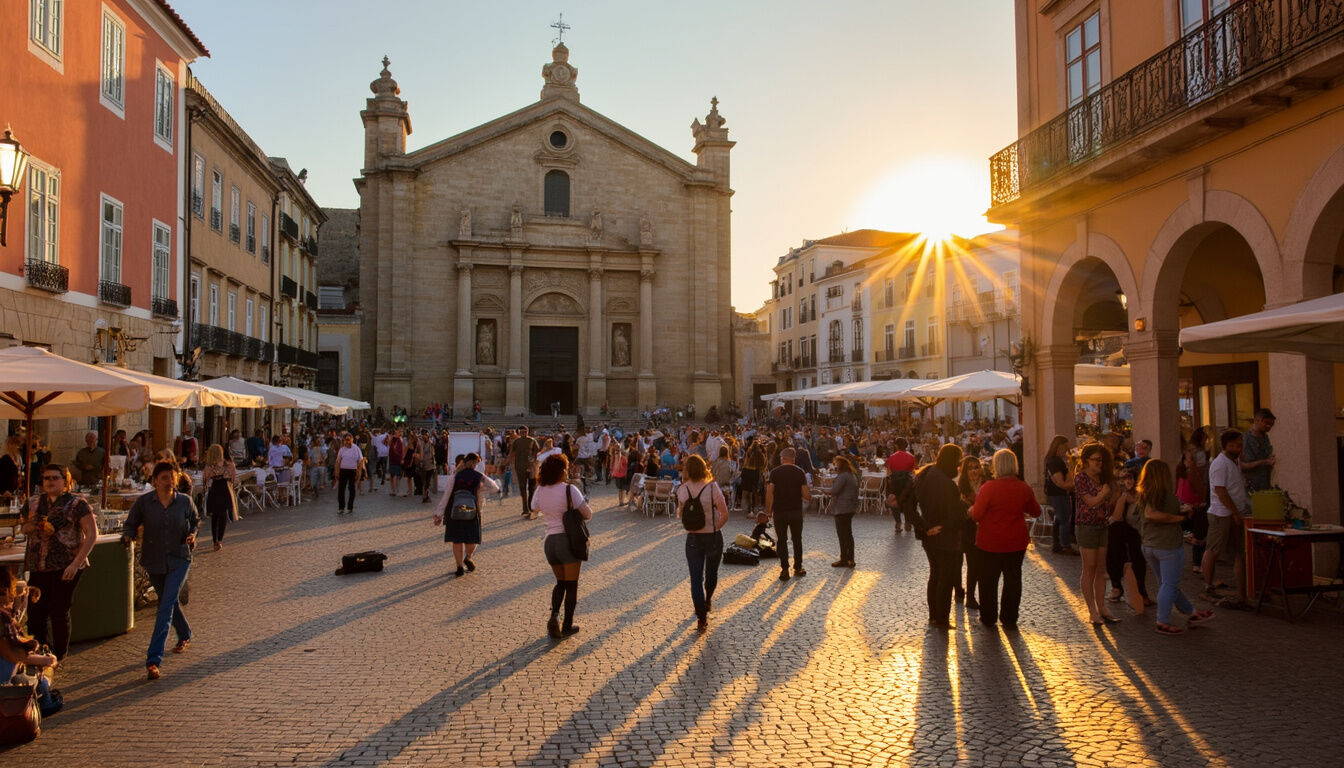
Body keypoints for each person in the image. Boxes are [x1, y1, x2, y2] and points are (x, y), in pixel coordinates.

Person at [122, 461, 200, 680]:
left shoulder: (185, 501)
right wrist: (128, 536)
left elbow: (195, 521)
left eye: (172, 477)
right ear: (155, 481)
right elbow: (131, 523)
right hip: (154, 559)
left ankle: (153, 660)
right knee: (170, 600)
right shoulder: (144, 503)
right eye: (164, 477)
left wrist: (192, 535)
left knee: (164, 606)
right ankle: (184, 633)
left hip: (179, 557)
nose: (169, 481)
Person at [19, 464, 97, 661]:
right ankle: (40, 652)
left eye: (55, 478)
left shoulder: (77, 504)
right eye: (46, 478)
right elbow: (23, 527)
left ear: (65, 481)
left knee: (58, 610)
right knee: (36, 612)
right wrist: (33, 526)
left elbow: (92, 534)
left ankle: (59, 654)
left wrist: (76, 563)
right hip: (38, 564)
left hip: (67, 564)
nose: (51, 482)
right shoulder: (33, 502)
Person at [1138, 459, 1215, 635]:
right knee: (1169, 584)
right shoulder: (1163, 495)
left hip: (1149, 545)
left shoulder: (1144, 493)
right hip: (1167, 546)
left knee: (1166, 583)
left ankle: (1191, 613)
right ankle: (1162, 621)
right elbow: (1153, 515)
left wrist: (1180, 510)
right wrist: (1181, 518)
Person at [970, 449, 1041, 630]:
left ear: (996, 466)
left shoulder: (988, 488)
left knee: (988, 581)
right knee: (1013, 580)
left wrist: (970, 510)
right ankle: (1009, 618)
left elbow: (977, 515)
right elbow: (1036, 511)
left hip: (990, 542)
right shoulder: (1023, 488)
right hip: (1015, 541)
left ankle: (988, 616)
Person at [532, 454, 591, 638]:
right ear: (561, 471)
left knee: (560, 583)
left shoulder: (540, 490)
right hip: (567, 541)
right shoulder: (569, 489)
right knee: (572, 585)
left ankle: (554, 615)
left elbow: (534, 508)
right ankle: (567, 625)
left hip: (549, 542)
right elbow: (587, 514)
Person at [912, 444, 966, 630]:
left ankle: (934, 615)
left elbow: (909, 504)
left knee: (935, 574)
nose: (959, 465)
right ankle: (941, 617)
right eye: (958, 461)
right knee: (945, 576)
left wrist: (924, 527)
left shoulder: (926, 474)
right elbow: (953, 514)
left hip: (930, 534)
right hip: (944, 535)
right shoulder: (945, 483)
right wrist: (965, 509)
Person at [676, 455, 730, 632]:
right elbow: (724, 513)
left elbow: (680, 515)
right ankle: (707, 600)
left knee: (695, 579)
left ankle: (701, 618)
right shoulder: (712, 487)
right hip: (712, 536)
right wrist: (715, 527)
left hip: (693, 538)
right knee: (711, 573)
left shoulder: (682, 490)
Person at [1203, 429, 1250, 609]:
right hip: (1221, 513)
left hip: (1233, 512)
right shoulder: (1220, 463)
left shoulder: (1234, 462)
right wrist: (1235, 512)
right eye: (1236, 445)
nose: (1239, 448)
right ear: (1227, 445)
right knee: (1213, 549)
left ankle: (1241, 593)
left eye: (1240, 444)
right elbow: (1220, 490)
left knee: (1238, 552)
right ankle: (1208, 585)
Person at [1074, 443, 1119, 625]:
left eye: (1102, 460)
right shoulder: (1080, 478)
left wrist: (1114, 494)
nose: (1100, 463)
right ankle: (1092, 610)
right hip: (1086, 526)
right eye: (1096, 460)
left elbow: (1111, 501)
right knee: (1089, 567)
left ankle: (1102, 607)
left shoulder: (1104, 478)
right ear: (1086, 461)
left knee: (1101, 569)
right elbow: (1091, 502)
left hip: (1102, 524)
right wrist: (1104, 494)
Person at [436, 453, 499, 576]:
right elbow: (495, 488)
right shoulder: (479, 476)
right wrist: (481, 488)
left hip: (455, 512)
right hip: (472, 511)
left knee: (457, 540)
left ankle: (459, 567)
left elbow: (446, 496)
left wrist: (439, 514)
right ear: (475, 463)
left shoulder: (455, 477)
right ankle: (468, 557)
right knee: (472, 538)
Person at [1, 569, 60, 687]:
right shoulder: (2, 617)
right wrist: (45, 660)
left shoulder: (5, 615)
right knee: (42, 684)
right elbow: (10, 654)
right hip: (3, 677)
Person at [1105, 468, 1152, 611]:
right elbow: (1116, 518)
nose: (1127, 481)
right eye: (1124, 478)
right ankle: (1117, 586)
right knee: (1114, 544)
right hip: (1125, 533)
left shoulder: (1143, 494)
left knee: (1136, 555)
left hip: (1141, 533)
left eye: (1130, 478)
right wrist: (1123, 497)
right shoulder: (1120, 495)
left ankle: (1140, 592)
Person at [764, 447, 811, 581]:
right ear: (793, 458)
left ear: (782, 458)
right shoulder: (800, 472)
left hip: (780, 511)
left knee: (782, 540)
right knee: (797, 540)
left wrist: (768, 511)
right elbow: (806, 495)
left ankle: (784, 569)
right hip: (796, 510)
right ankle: (798, 567)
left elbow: (770, 493)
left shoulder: (774, 473)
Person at [955, 456, 985, 609]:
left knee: (974, 564)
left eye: (976, 467)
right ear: (965, 470)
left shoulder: (986, 484)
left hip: (979, 529)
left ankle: (971, 596)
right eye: (970, 467)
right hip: (963, 528)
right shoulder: (959, 487)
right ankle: (958, 589)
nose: (974, 470)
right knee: (958, 562)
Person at [1043, 435, 1078, 555]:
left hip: (1056, 494)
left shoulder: (1053, 460)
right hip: (1058, 494)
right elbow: (1060, 482)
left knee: (1058, 519)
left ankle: (1057, 544)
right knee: (1064, 519)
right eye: (1065, 447)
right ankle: (1065, 545)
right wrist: (1072, 486)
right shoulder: (1055, 461)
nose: (1067, 449)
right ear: (1059, 446)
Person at [201, 444, 237, 551]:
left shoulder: (208, 467)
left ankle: (214, 540)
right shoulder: (228, 465)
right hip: (225, 489)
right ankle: (220, 540)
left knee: (215, 516)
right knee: (223, 515)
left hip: (215, 489)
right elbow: (233, 478)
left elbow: (205, 479)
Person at [828, 455, 860, 568]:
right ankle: (850, 558)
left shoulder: (843, 476)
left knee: (842, 535)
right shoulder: (851, 475)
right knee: (848, 534)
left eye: (836, 464)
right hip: (849, 507)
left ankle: (844, 559)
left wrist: (826, 489)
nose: (835, 467)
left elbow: (835, 491)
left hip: (842, 508)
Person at [886, 437, 918, 534]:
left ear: (896, 445)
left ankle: (898, 523)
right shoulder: (911, 457)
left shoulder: (892, 457)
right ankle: (908, 521)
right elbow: (913, 471)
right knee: (909, 502)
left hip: (895, 483)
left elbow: (888, 472)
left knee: (894, 501)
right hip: (907, 483)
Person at [1240, 408, 1276, 492]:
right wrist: (1264, 462)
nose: (1268, 427)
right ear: (1257, 420)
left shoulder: (1265, 438)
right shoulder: (1246, 439)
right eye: (1266, 423)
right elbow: (1243, 465)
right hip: (1251, 486)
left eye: (1271, 425)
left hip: (1265, 484)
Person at [510, 427, 539, 519]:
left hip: (530, 467)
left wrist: (533, 459)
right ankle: (525, 508)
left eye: (525, 431)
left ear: (527, 432)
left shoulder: (532, 440)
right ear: (519, 432)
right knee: (522, 488)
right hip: (520, 467)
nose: (523, 433)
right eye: (521, 432)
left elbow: (537, 450)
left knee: (531, 487)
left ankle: (531, 507)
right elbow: (511, 453)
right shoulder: (516, 441)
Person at [335, 433, 364, 515]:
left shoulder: (356, 449)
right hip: (343, 470)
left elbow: (361, 460)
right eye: (345, 440)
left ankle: (350, 507)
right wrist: (336, 472)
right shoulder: (342, 449)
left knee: (352, 489)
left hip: (352, 471)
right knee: (341, 490)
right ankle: (341, 508)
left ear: (352, 439)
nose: (347, 442)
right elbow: (338, 461)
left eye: (348, 439)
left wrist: (359, 471)